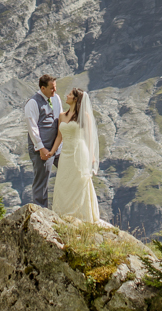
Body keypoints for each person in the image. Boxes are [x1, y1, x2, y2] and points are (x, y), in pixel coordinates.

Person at [49, 87, 104, 223]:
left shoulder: (84, 116)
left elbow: (89, 137)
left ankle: (82, 215)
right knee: (63, 182)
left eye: (69, 94)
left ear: (75, 98)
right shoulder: (62, 116)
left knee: (79, 183)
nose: (66, 96)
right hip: (65, 153)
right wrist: (52, 152)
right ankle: (63, 212)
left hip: (79, 151)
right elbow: (59, 137)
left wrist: (92, 155)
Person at [24, 73, 62, 207]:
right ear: (43, 88)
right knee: (42, 181)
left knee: (67, 172)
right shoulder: (33, 103)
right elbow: (32, 127)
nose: (54, 90)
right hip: (42, 149)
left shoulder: (56, 98)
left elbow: (60, 118)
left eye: (55, 87)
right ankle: (41, 211)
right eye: (52, 88)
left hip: (57, 147)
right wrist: (41, 148)